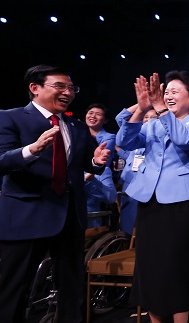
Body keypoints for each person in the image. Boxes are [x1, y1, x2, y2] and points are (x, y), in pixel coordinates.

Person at [0, 65, 110, 323]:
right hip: (26, 216)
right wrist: (32, 150)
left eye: (72, 88)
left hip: (70, 216)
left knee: (72, 288)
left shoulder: (77, 126)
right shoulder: (11, 118)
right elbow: (2, 160)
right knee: (13, 288)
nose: (68, 92)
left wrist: (96, 162)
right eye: (60, 86)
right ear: (35, 88)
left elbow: (86, 163)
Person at [116, 71, 189, 323]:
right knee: (151, 267)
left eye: (174, 91)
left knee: (175, 266)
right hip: (150, 200)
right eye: (165, 91)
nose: (167, 95)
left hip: (181, 201)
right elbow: (124, 141)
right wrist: (141, 108)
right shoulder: (154, 123)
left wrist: (159, 107)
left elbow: (183, 140)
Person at [114, 107, 158, 236]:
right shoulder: (135, 135)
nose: (149, 120)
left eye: (153, 117)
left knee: (144, 224)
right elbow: (120, 118)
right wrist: (141, 105)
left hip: (147, 185)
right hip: (130, 183)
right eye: (146, 117)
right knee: (127, 221)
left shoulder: (156, 138)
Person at [84, 103, 118, 228]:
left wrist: (91, 178)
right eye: (90, 113)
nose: (93, 116)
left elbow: (101, 161)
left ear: (105, 120)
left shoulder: (109, 137)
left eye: (98, 114)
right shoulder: (80, 133)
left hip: (99, 172)